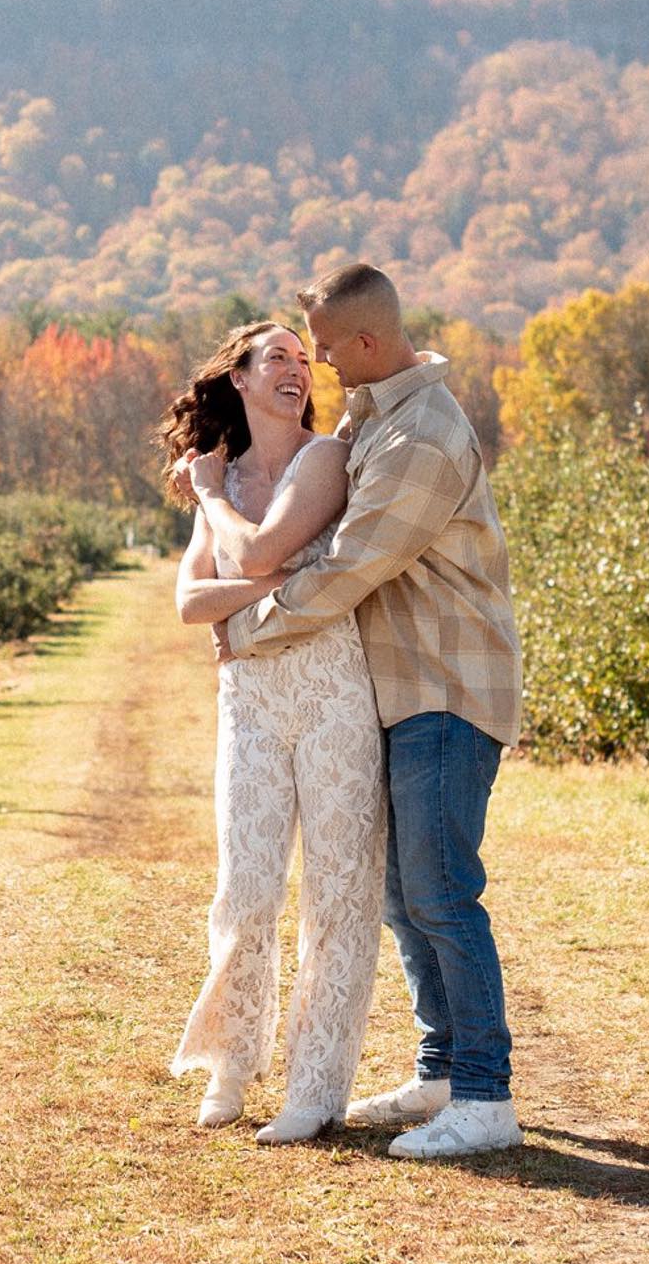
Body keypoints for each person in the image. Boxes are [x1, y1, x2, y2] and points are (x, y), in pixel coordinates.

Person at [216, 264, 524, 1160]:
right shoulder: (375, 414)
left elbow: (352, 563)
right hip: (398, 690)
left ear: (362, 344)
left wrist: (250, 625)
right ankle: (440, 1067)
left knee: (440, 889)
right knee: (400, 891)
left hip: (446, 688)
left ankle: (486, 1096)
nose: (312, 364)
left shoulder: (421, 434)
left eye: (320, 347)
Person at [160, 319, 386, 1145]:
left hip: (333, 692)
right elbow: (189, 603)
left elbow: (251, 555)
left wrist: (215, 502)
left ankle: (317, 1087)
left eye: (302, 358)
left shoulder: (320, 460)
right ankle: (231, 1063)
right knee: (246, 888)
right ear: (241, 380)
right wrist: (279, 576)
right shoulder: (228, 481)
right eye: (277, 359)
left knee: (337, 891)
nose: (296, 370)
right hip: (249, 699)